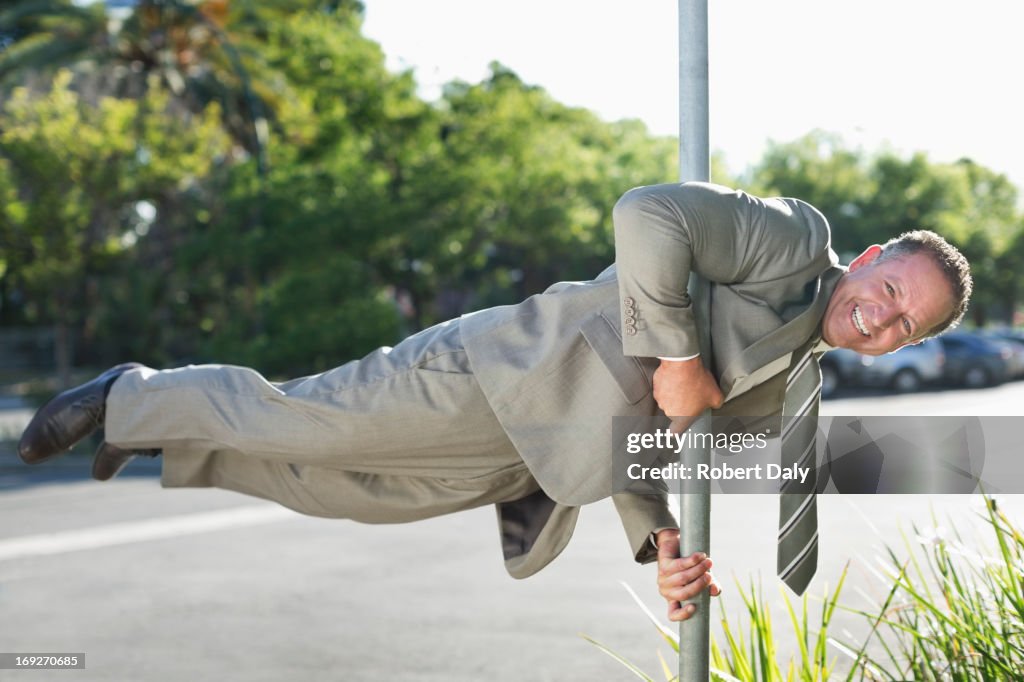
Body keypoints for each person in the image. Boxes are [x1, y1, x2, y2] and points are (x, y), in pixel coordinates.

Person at [18, 182, 972, 623]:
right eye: (892, 290)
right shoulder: (791, 241)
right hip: (503, 374)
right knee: (309, 419)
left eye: (905, 326)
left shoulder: (796, 387)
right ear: (878, 255)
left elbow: (657, 444)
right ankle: (130, 396)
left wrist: (665, 549)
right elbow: (649, 213)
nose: (882, 318)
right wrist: (679, 354)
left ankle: (156, 443)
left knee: (342, 492)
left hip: (537, 460)